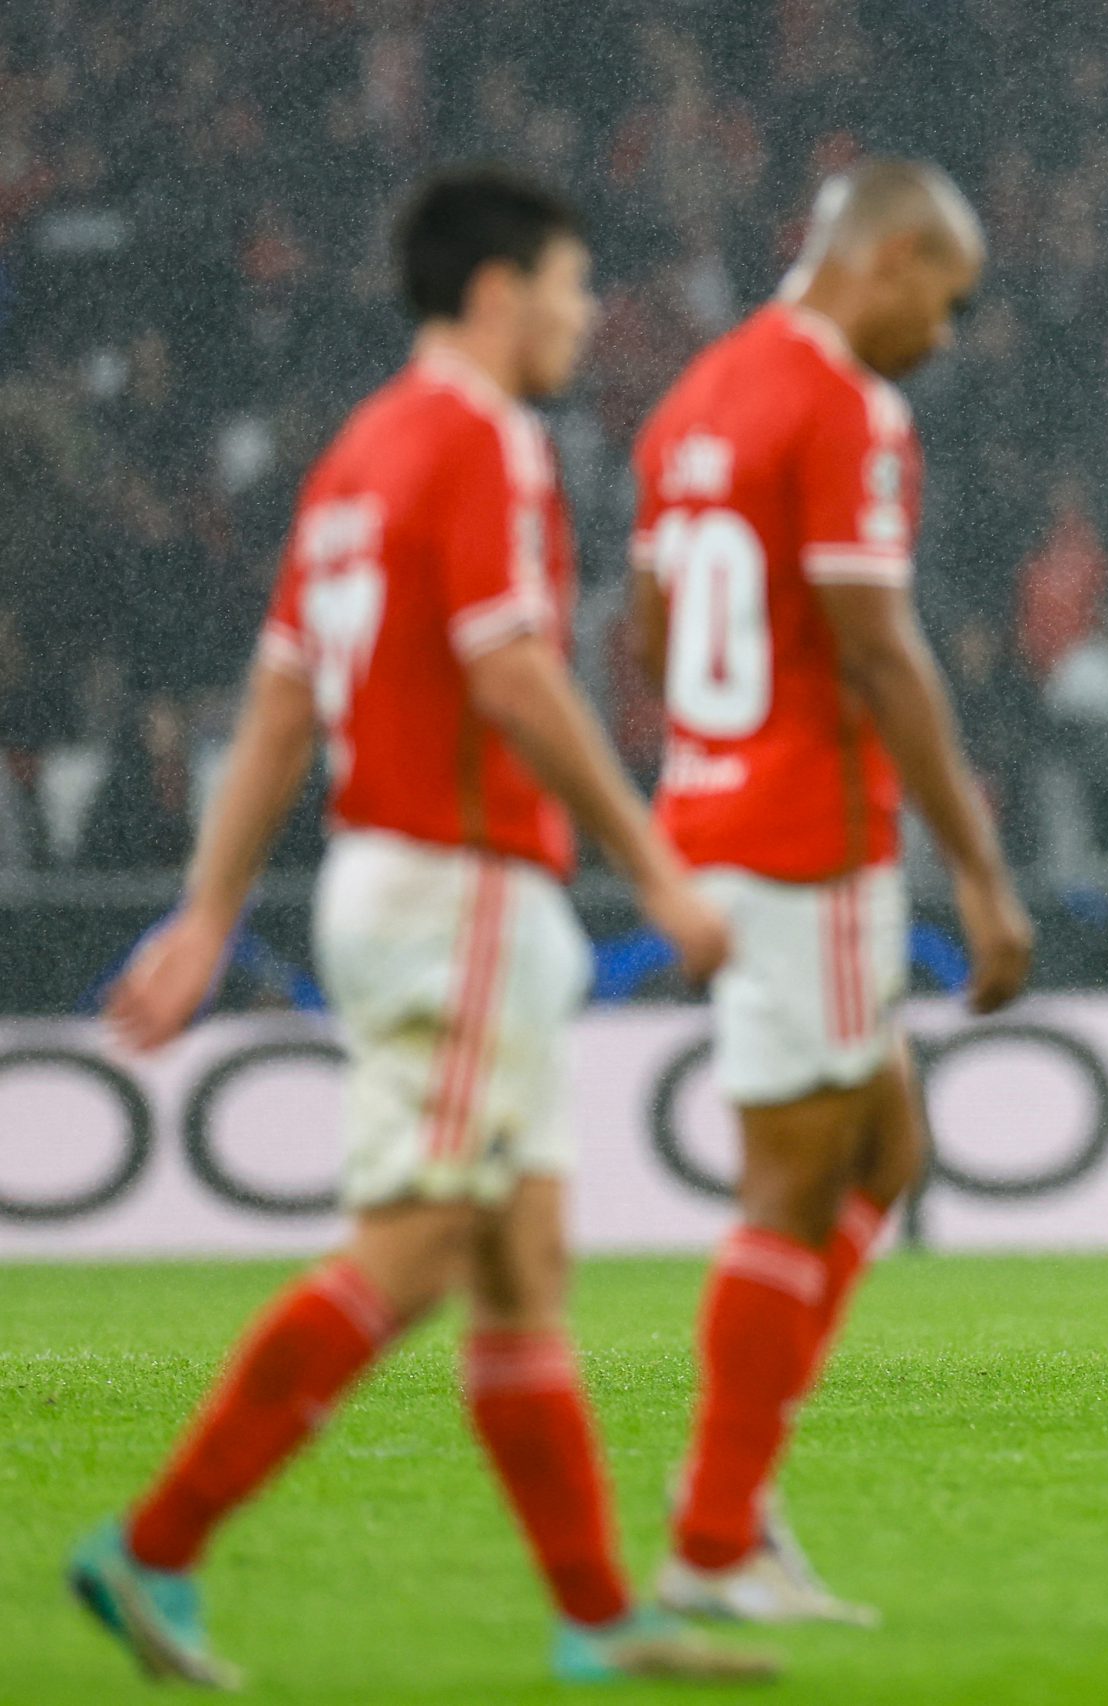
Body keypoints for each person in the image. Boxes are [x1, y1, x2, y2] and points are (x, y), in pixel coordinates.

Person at [70, 168, 771, 1686]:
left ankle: (598, 1618)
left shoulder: (356, 459)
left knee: (523, 1263)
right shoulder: (483, 441)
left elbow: (273, 702)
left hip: (414, 886)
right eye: (576, 288)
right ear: (501, 291)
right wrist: (654, 867)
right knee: (421, 1243)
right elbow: (513, 669)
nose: (588, 317)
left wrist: (207, 915)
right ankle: (157, 1542)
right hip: (451, 890)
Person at [628, 160, 1034, 1625]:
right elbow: (879, 647)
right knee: (802, 1170)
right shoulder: (847, 404)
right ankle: (715, 1530)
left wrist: (699, 781)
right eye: (953, 297)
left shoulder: (695, 397)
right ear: (895, 256)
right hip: (811, 831)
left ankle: (727, 1510)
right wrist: (979, 873)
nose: (950, 331)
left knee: (878, 1146)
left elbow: (651, 617)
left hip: (721, 803)